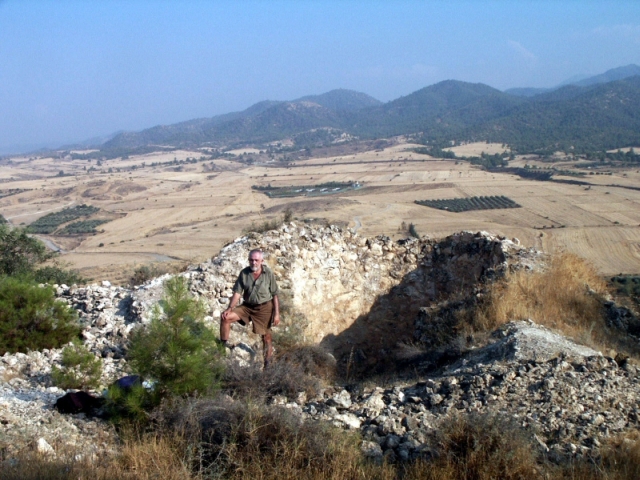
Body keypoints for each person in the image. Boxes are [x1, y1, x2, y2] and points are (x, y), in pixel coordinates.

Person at [220, 249, 280, 367]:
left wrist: (277, 314)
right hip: (247, 307)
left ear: (261, 261)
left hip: (264, 308)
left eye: (256, 260)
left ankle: (267, 364)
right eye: (251, 260)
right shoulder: (244, 273)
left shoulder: (268, 274)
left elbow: (275, 294)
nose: (253, 263)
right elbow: (237, 292)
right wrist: (229, 308)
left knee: (266, 337)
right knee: (225, 318)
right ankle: (222, 347)